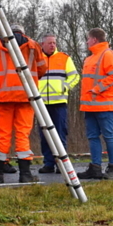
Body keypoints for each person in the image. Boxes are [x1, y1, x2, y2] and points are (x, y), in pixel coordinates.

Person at [0, 24, 46, 184]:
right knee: (22, 134)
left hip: (3, 97)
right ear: (23, 33)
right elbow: (42, 69)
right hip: (26, 96)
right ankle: (25, 174)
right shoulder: (33, 45)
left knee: (2, 135)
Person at [77, 28, 113, 180]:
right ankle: (95, 168)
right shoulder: (90, 59)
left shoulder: (108, 54)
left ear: (94, 39)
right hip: (90, 105)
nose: (86, 42)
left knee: (108, 135)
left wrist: (97, 89)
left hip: (105, 104)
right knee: (92, 136)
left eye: (88, 39)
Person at [35, 33, 80, 174]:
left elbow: (75, 76)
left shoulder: (64, 58)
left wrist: (65, 86)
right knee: (45, 135)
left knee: (60, 134)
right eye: (49, 43)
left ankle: (62, 165)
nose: (52, 45)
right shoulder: (36, 58)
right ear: (42, 44)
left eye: (54, 42)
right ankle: (48, 164)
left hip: (59, 102)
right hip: (41, 103)